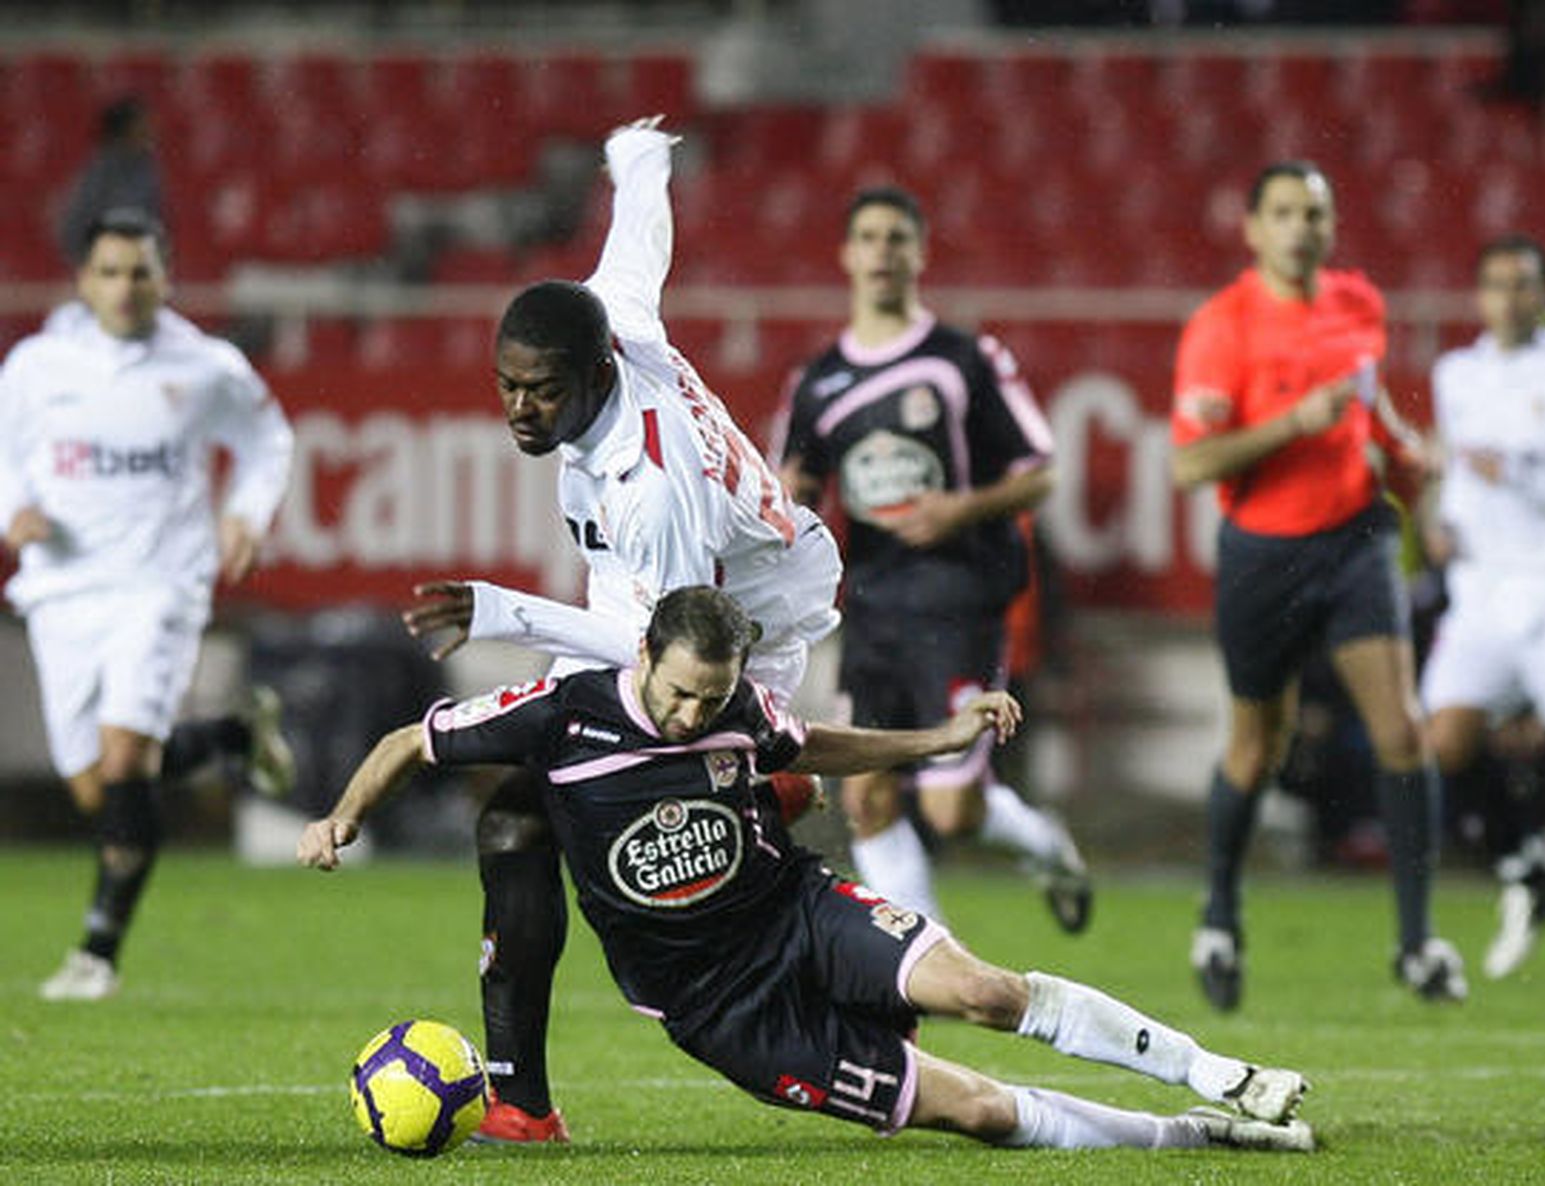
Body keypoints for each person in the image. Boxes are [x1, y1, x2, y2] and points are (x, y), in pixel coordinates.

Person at [300, 585, 1313, 1156]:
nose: (699, 716)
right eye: (686, 695)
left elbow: (813, 741)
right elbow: (409, 739)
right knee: (980, 1111)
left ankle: (1215, 1072)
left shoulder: (740, 708)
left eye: (717, 698)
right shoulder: (560, 713)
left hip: (794, 911)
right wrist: (340, 816)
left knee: (986, 990)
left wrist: (934, 740)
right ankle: (1189, 1139)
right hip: (717, 1007)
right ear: (645, 652)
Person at [398, 117, 843, 1145]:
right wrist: (638, 158)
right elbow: (637, 247)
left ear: (594, 376)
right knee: (511, 817)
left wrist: (504, 612)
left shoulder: (658, 486)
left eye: (538, 391)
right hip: (630, 601)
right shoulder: (611, 321)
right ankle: (520, 1103)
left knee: (655, 810)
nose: (517, 409)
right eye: (506, 383)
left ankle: (791, 833)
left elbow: (677, 658)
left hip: (735, 623)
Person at [1170, 159, 1464, 1010]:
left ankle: (1417, 944)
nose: (1303, 227)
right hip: (1264, 554)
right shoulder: (1222, 327)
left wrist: (1407, 450)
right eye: (1287, 213)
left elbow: (1368, 407)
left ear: (1331, 229)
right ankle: (1220, 914)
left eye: (1317, 213)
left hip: (1355, 542)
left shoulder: (1359, 304)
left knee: (1403, 732)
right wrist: (1290, 425)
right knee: (1257, 746)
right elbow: (1192, 462)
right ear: (1254, 229)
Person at [775, 185, 1091, 932]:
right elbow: (792, 486)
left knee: (952, 809)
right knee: (869, 796)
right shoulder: (817, 382)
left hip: (960, 599)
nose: (883, 251)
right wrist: (790, 500)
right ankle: (925, 961)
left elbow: (1040, 469)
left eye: (897, 237)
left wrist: (961, 509)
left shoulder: (963, 359)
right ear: (847, 256)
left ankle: (1049, 849)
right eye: (870, 237)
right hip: (876, 604)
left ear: (919, 253)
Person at [0, 207, 295, 1001]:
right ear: (82, 280)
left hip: (159, 583)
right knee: (98, 783)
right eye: (110, 272)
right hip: (61, 588)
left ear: (167, 279)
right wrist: (11, 508)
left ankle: (96, 954)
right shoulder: (36, 366)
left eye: (141, 272)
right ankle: (232, 737)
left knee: (126, 757)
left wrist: (245, 511)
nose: (125, 288)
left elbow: (268, 440)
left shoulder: (205, 366)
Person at [1419, 233, 1545, 979]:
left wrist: (1518, 475)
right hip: (1482, 587)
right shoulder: (1456, 374)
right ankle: (1527, 867)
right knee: (1441, 746)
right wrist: (1442, 521)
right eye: (1495, 284)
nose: (1508, 298)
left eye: (1523, 285)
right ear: (1480, 295)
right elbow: (1458, 470)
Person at [57, 96, 164, 269]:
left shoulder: (148, 169)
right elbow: (73, 230)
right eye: (142, 123)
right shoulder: (101, 174)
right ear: (125, 129)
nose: (150, 129)